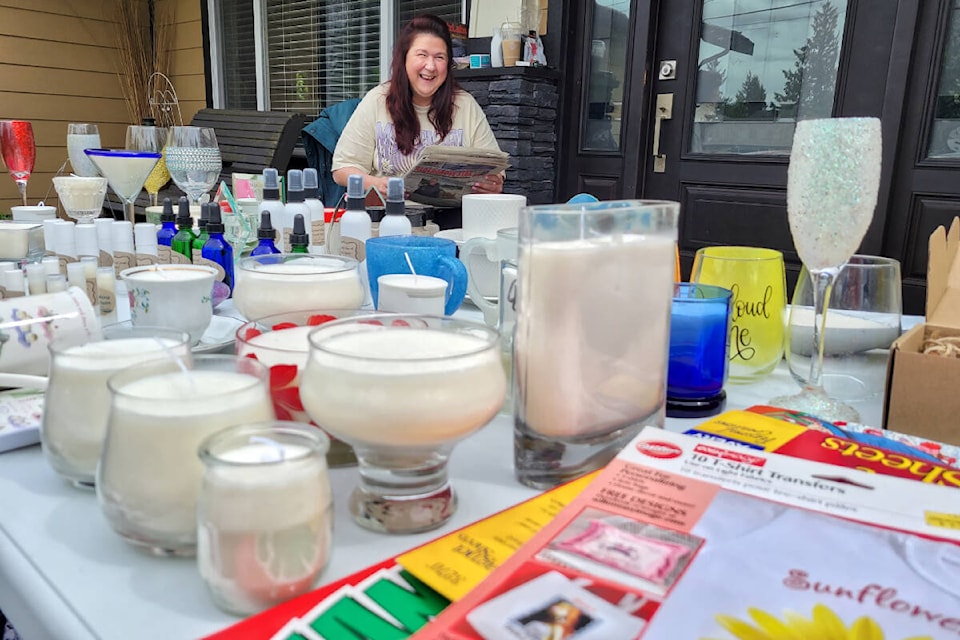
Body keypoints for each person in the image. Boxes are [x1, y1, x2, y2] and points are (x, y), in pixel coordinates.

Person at [332, 14, 504, 201]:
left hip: (452, 219)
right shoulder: (378, 99)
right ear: (404, 59)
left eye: (439, 57)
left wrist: (492, 184)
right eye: (422, 55)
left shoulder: (465, 105)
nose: (430, 66)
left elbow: (495, 168)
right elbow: (342, 170)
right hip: (388, 215)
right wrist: (374, 183)